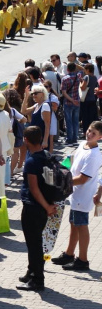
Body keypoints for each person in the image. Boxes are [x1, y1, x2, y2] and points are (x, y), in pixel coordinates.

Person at [51, 121, 102, 272]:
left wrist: (61, 182)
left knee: (81, 225)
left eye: (93, 133)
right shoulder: (82, 145)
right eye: (88, 130)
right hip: (74, 193)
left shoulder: (94, 155)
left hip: (83, 195)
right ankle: (69, 253)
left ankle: (83, 260)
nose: (89, 134)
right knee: (73, 223)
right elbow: (72, 163)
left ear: (100, 137)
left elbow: (82, 179)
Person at [16, 126, 58, 292]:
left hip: (34, 207)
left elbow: (34, 188)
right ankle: (31, 272)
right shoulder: (48, 156)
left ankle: (37, 280)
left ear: (26, 140)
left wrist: (47, 206)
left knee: (34, 244)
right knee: (34, 242)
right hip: (43, 206)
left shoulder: (32, 161)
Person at [61, 62, 83, 144]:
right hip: (77, 101)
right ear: (75, 69)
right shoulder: (78, 77)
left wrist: (71, 100)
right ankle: (75, 138)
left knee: (68, 121)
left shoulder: (65, 79)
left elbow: (64, 92)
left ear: (67, 69)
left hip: (68, 102)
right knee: (75, 120)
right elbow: (82, 69)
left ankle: (69, 138)